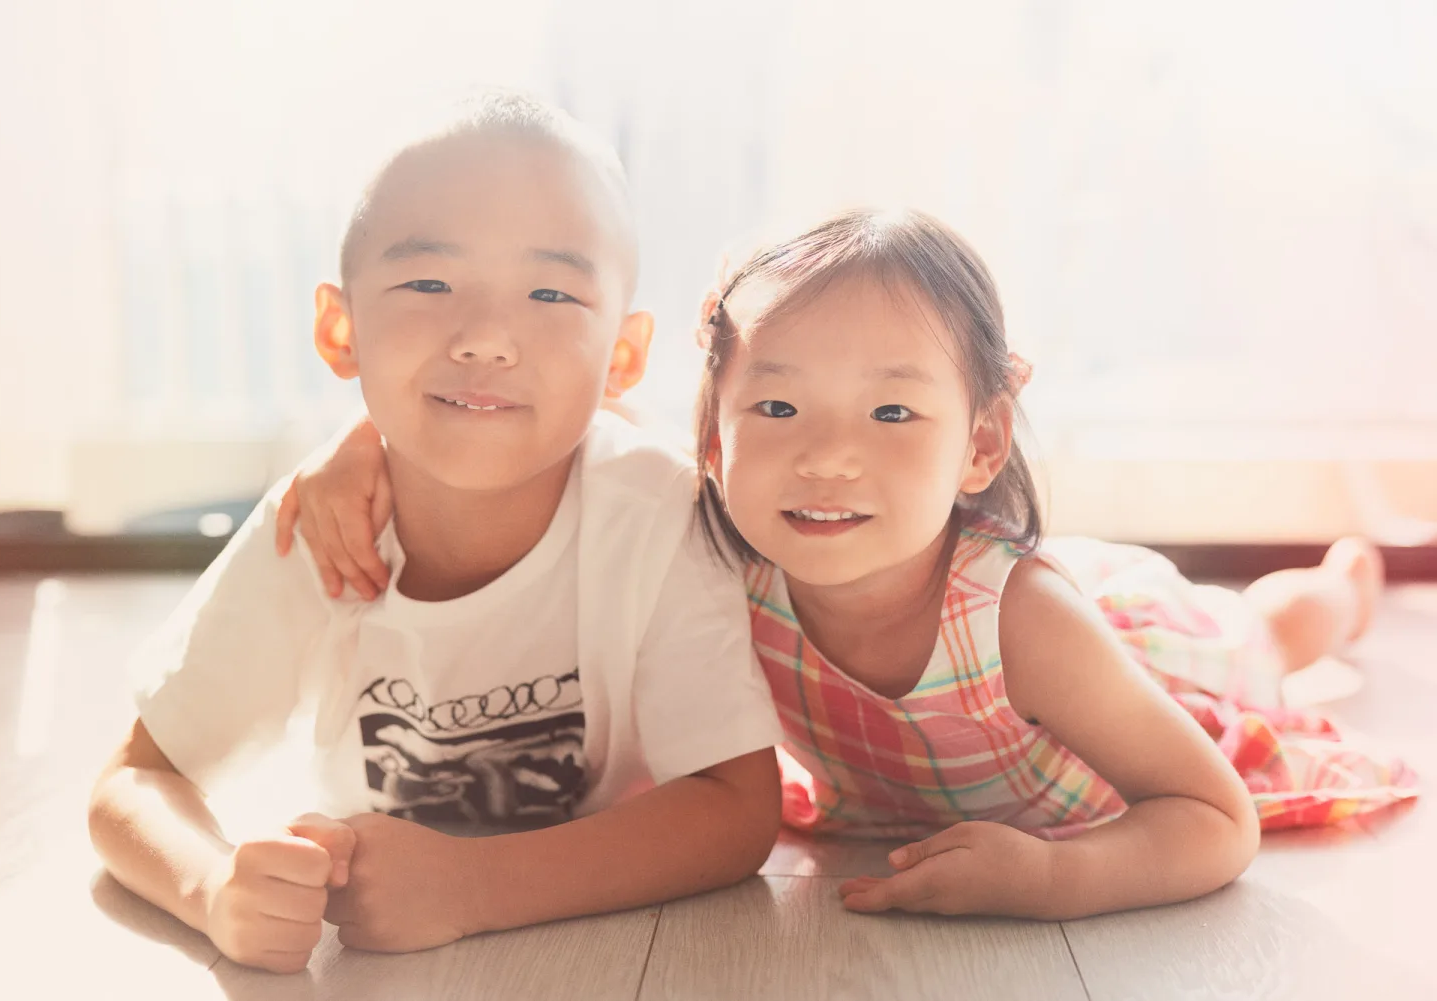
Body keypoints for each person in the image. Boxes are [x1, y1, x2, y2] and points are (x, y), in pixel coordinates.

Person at [283, 208, 1415, 923]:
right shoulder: (719, 548)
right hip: (935, 758)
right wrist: (363, 444)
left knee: (1264, 638)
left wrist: (1054, 878)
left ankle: (1337, 591)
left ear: (981, 444)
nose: (827, 455)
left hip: (1143, 662)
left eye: (891, 411)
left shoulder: (1028, 623)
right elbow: (546, 431)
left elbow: (1215, 816)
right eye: (777, 407)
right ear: (713, 438)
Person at [87, 93, 784, 975]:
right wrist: (213, 887)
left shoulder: (657, 515)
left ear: (623, 356)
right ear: (340, 329)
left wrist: (471, 886)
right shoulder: (323, 524)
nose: (486, 338)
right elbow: (133, 779)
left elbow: (736, 806)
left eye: (550, 292)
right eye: (428, 284)